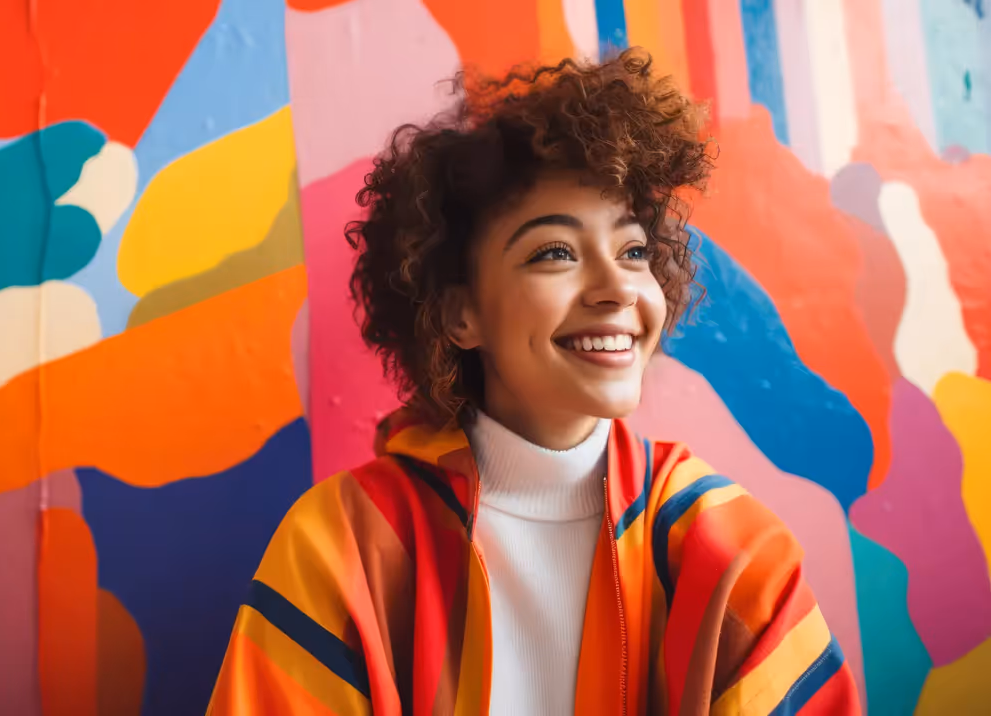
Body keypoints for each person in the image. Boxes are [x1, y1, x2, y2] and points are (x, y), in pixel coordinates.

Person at [206, 48, 860, 715]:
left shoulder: (733, 552)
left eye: (633, 251)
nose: (616, 289)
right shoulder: (342, 543)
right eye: (555, 252)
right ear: (461, 313)